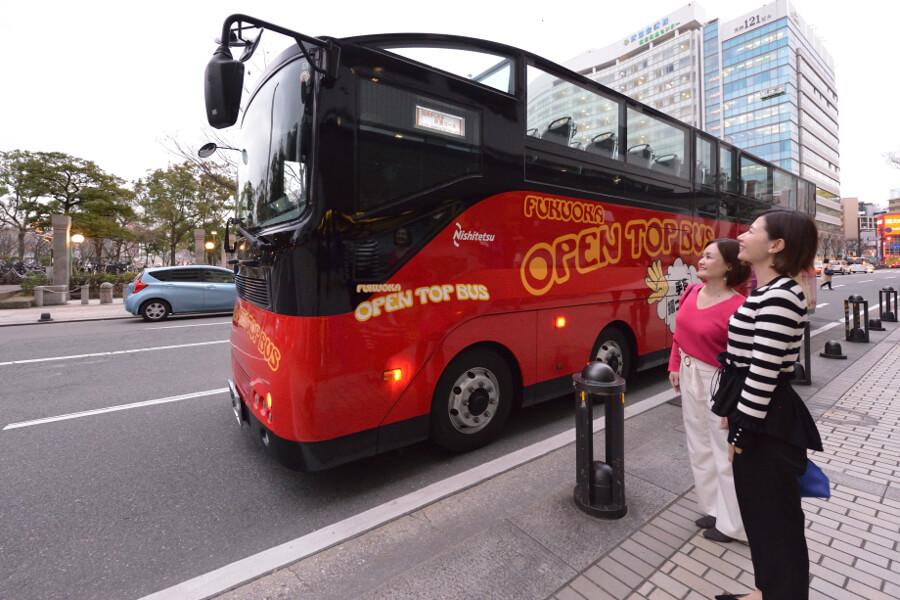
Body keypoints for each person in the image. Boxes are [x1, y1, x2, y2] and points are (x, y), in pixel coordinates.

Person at [714, 210, 823, 600]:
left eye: (752, 231)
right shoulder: (766, 292)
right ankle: (768, 591)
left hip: (768, 424)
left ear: (776, 245)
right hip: (761, 416)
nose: (742, 236)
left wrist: (743, 426)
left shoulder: (782, 296)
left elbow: (763, 370)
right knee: (762, 514)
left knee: (776, 519)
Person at [669, 240, 750, 544]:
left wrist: (735, 402)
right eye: (702, 255)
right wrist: (675, 364)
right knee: (699, 445)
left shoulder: (739, 307)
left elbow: (743, 360)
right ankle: (714, 509)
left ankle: (734, 524)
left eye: (708, 257)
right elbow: (679, 335)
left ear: (729, 266)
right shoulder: (692, 292)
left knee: (723, 451)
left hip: (719, 380)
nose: (700, 261)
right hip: (690, 374)